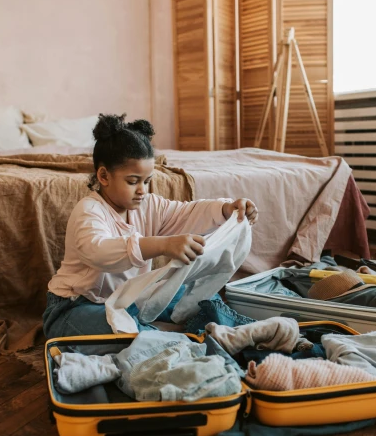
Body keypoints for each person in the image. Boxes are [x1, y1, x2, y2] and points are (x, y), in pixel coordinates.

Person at [43, 113, 258, 338]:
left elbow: (187, 213)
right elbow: (99, 251)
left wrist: (227, 209)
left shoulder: (148, 205)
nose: (142, 190)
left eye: (146, 181)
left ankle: (242, 334)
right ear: (104, 176)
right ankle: (172, 341)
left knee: (200, 299)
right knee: (127, 330)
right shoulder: (89, 211)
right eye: (132, 181)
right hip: (74, 308)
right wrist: (162, 245)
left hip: (129, 299)